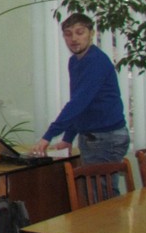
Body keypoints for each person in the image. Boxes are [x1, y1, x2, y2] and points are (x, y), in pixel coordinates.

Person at [34, 13, 129, 164]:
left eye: (80, 32)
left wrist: (49, 135)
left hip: (106, 136)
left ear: (91, 34)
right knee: (92, 181)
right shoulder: (74, 61)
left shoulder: (96, 61)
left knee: (101, 181)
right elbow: (81, 106)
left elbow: (79, 102)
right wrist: (68, 138)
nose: (74, 39)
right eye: (68, 34)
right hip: (91, 136)